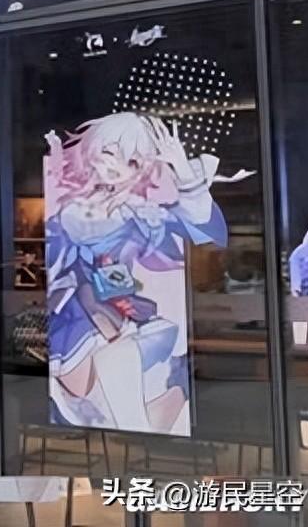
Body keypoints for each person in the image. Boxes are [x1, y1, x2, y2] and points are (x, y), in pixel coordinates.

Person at [44, 112, 228, 434]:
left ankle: (161, 407)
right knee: (103, 404)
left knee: (127, 371)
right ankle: (155, 412)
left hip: (125, 317)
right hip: (77, 323)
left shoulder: (141, 216)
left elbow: (209, 235)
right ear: (93, 149)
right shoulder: (65, 214)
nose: (117, 166)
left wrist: (184, 173)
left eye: (132, 161)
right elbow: (52, 266)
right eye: (110, 152)